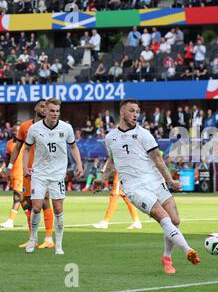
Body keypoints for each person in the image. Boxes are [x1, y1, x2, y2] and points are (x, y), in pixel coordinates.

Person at [93, 99, 200, 274]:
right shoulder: (110, 137)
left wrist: (170, 181)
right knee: (163, 216)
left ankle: (167, 257)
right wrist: (103, 177)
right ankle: (188, 250)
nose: (135, 114)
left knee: (176, 220)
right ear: (122, 112)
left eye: (137, 111)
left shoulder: (144, 134)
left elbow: (157, 158)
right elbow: (113, 159)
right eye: (131, 111)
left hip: (154, 180)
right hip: (134, 187)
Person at [23, 98, 84, 255]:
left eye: (57, 111)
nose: (55, 114)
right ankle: (33, 239)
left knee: (58, 208)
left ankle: (58, 244)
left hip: (57, 174)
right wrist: (25, 166)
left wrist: (79, 164)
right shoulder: (34, 129)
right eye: (52, 110)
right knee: (36, 207)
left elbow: (73, 146)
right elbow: (27, 148)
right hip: (39, 173)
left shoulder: (66, 128)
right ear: (45, 111)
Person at [5, 99, 56, 248]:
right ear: (35, 108)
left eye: (47, 107)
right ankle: (32, 239)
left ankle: (48, 239)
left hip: (44, 170)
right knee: (26, 203)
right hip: (27, 171)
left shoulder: (51, 127)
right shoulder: (25, 126)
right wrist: (10, 165)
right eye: (41, 106)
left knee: (44, 201)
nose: (44, 109)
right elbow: (17, 147)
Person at [0, 125, 23, 228]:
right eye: (14, 130)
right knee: (23, 199)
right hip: (13, 173)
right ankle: (30, 219)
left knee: (17, 197)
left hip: (22, 173)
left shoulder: (26, 143)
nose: (15, 132)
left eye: (17, 130)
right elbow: (8, 158)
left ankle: (10, 221)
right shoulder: (9, 143)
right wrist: (8, 171)